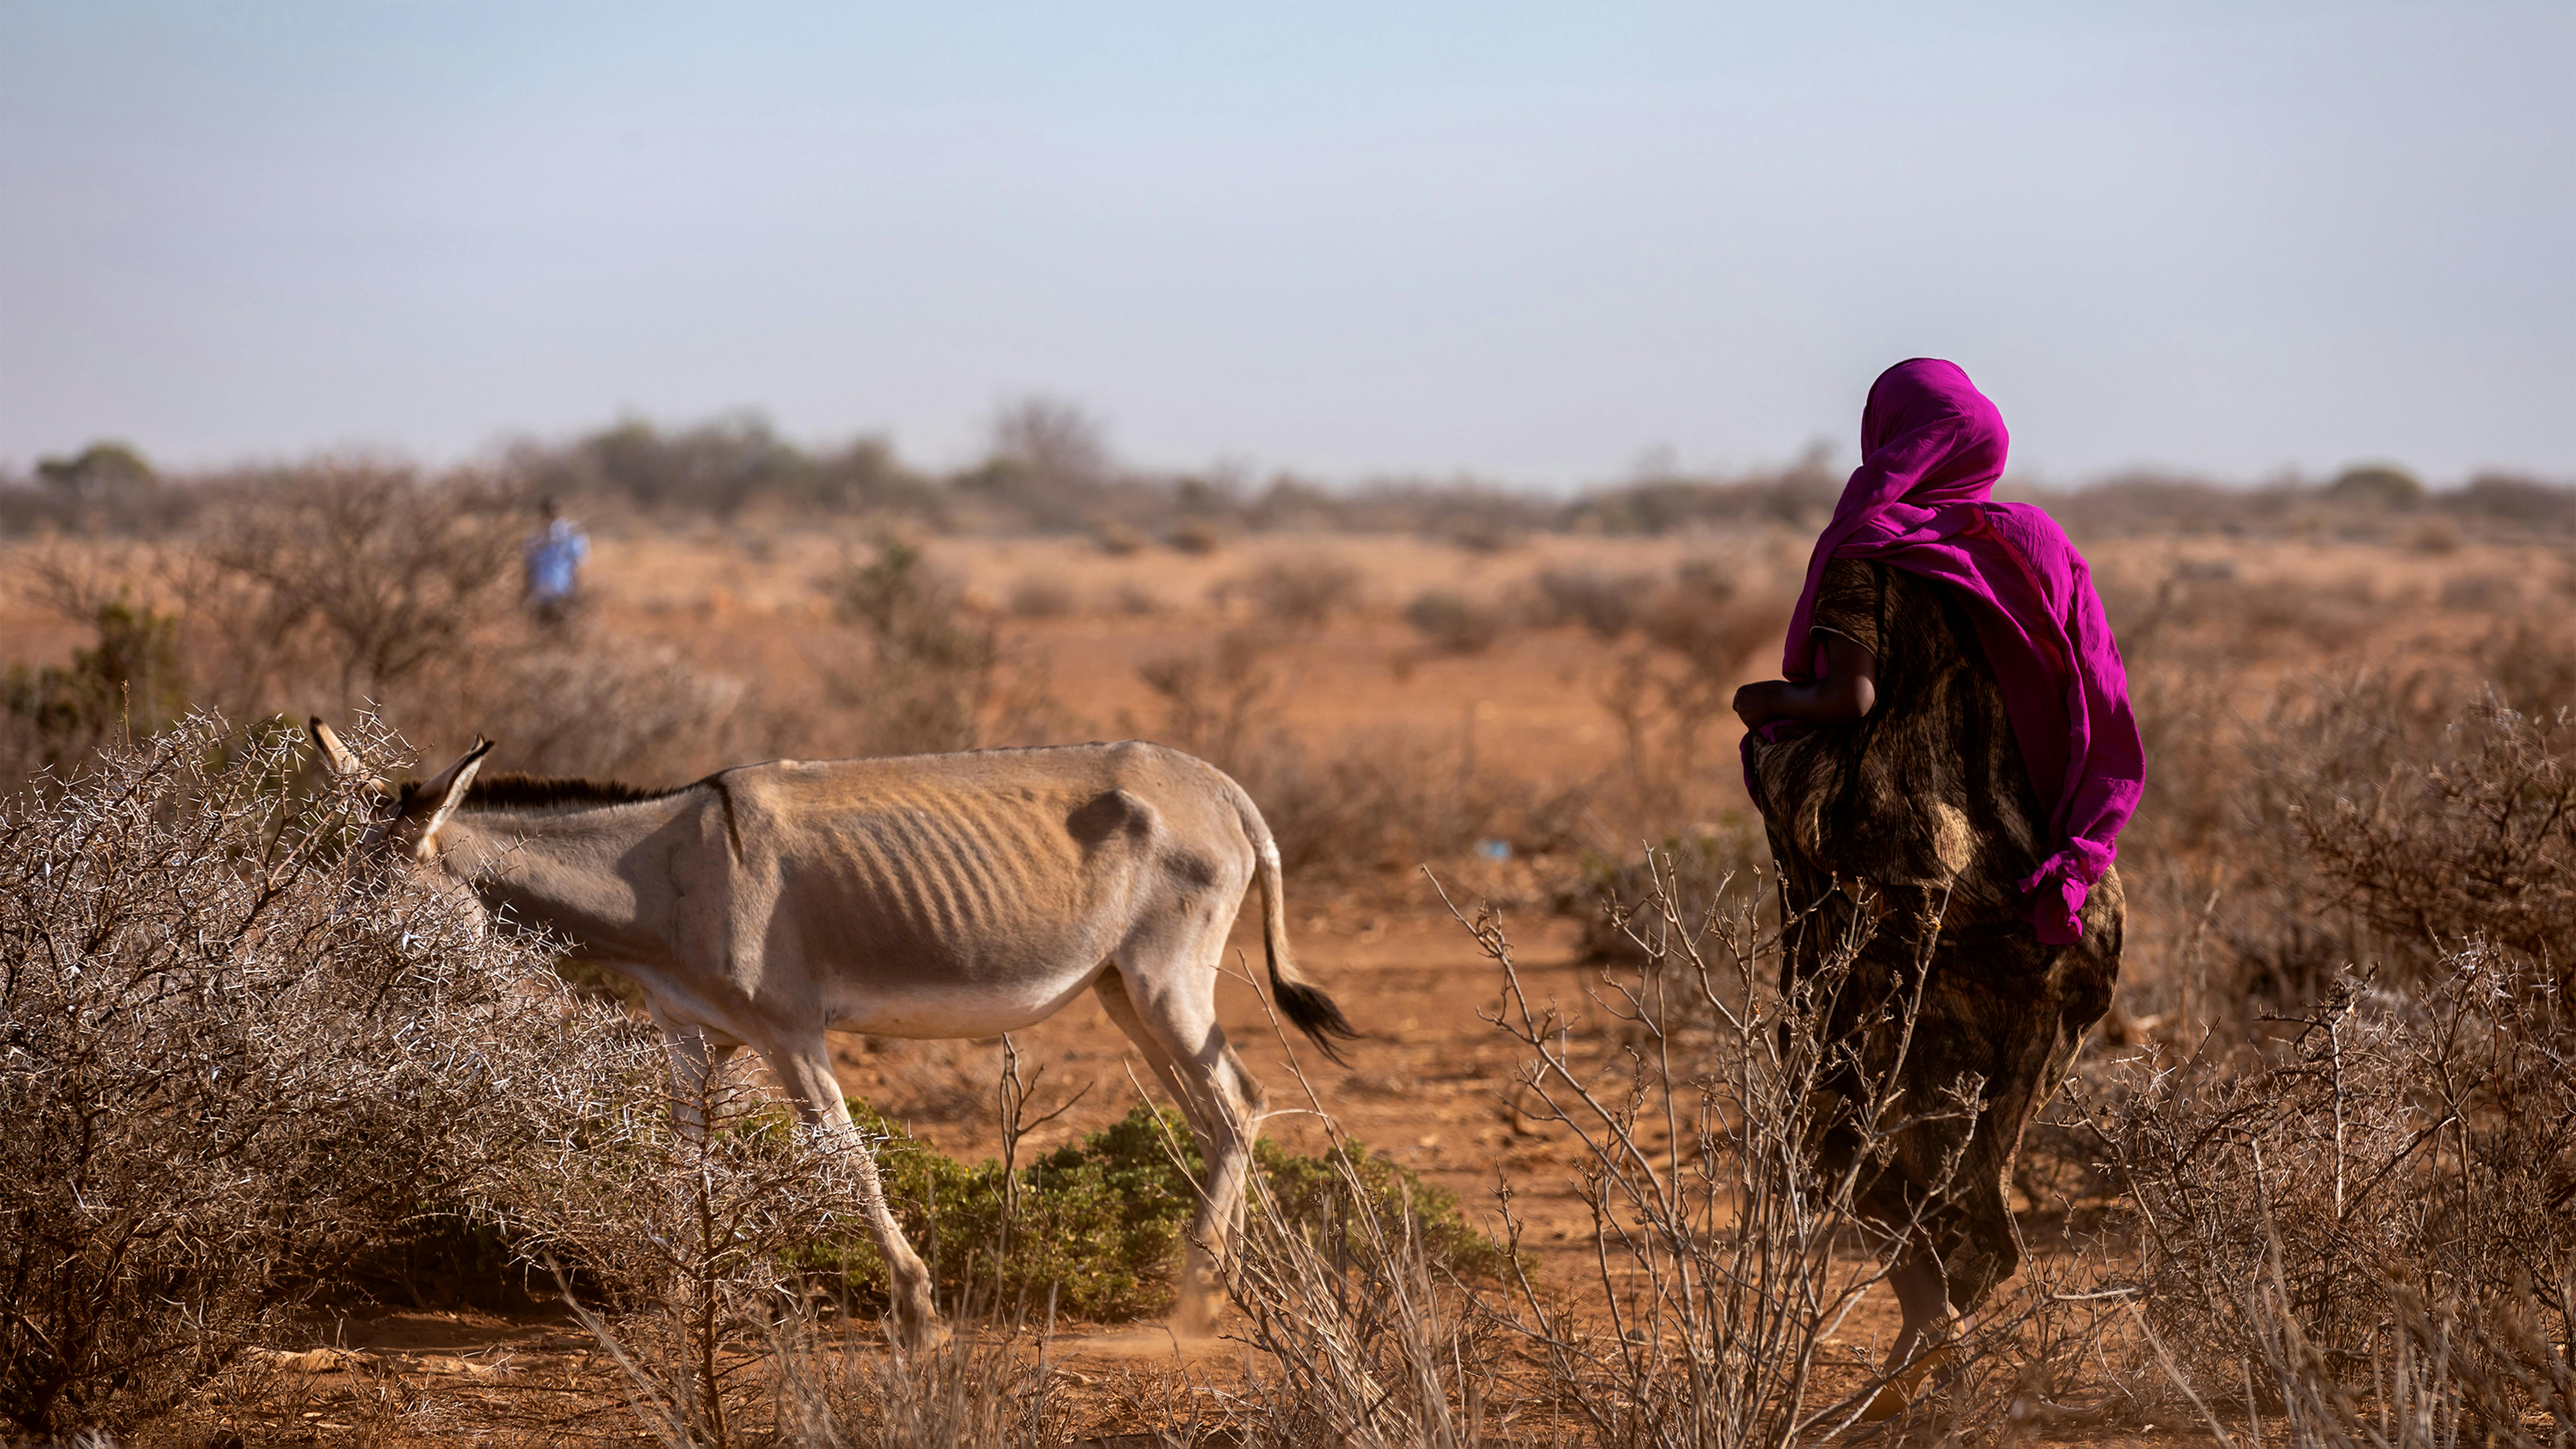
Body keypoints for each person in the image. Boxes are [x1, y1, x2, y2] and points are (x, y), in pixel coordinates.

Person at [1732, 358, 2143, 1418]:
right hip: (2036, 889)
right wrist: (2075, 859)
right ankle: (1944, 1356)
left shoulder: (1869, 548)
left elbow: (1846, 695)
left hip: (1906, 888)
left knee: (1849, 1103)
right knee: (1968, 1110)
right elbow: (2101, 707)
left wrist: (1762, 701)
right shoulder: (2037, 551)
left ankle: (1928, 1321)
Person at [522, 498, 591, 624]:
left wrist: (577, 591)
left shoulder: (571, 533)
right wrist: (526, 591)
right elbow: (529, 565)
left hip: (563, 589)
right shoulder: (534, 536)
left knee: (562, 625)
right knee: (541, 627)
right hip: (540, 591)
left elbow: (576, 565)